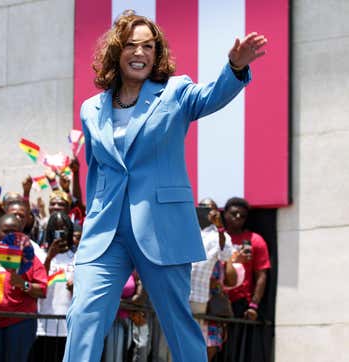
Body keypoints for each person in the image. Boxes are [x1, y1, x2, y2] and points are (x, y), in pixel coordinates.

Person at [63, 10, 267, 362]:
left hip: (160, 227)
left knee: (177, 321)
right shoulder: (91, 108)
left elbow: (211, 96)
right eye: (131, 45)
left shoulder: (174, 92)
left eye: (148, 46)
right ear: (117, 51)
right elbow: (97, 170)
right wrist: (92, 213)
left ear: (156, 54)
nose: (140, 53)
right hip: (106, 231)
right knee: (83, 314)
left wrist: (234, 68)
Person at [0, 214, 47, 362]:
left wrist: (24, 284)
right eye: (6, 231)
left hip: (19, 322)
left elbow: (42, 290)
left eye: (15, 232)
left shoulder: (30, 258)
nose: (11, 236)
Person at [222, 197, 271, 362]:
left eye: (242, 216)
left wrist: (254, 305)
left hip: (240, 303)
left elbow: (261, 275)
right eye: (234, 214)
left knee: (236, 350)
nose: (237, 218)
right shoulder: (216, 238)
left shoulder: (255, 240)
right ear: (225, 214)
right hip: (214, 299)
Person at [190, 198, 237, 360]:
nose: (205, 211)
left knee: (193, 339)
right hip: (178, 290)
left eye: (210, 208)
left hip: (198, 295)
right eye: (202, 207)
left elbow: (225, 255)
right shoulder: (189, 228)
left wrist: (219, 226)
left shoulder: (219, 234)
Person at [32, 212, 75, 362]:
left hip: (68, 328)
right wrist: (49, 257)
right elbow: (38, 284)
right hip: (44, 326)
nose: (60, 234)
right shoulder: (41, 255)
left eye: (64, 229)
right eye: (56, 229)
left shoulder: (78, 258)